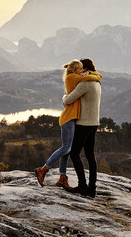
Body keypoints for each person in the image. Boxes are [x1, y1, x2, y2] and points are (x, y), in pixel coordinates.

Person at [34, 59, 101, 188]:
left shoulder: (83, 79)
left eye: (83, 69)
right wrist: (65, 97)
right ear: (76, 70)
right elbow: (68, 100)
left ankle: (62, 177)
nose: (82, 72)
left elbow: (89, 78)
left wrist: (93, 74)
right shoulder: (75, 78)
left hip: (73, 118)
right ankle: (43, 169)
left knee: (67, 149)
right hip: (69, 118)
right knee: (67, 148)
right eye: (80, 69)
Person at [62, 57, 102, 198]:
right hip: (94, 123)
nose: (78, 72)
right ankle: (92, 189)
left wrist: (63, 97)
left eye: (79, 68)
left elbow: (68, 100)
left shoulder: (84, 84)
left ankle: (82, 186)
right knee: (90, 156)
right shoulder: (97, 82)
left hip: (83, 124)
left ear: (84, 69)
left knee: (74, 154)